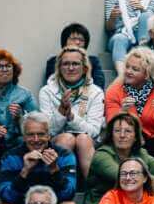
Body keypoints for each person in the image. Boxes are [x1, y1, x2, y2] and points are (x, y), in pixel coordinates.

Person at [0, 113, 80, 204]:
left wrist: (54, 170)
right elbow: (6, 197)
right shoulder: (11, 156)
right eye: (30, 135)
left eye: (41, 134)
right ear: (23, 137)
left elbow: (69, 194)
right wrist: (25, 171)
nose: (36, 139)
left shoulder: (64, 155)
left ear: (49, 135)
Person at [104, 47, 154, 168]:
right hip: (125, 140)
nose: (128, 71)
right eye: (127, 67)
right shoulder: (113, 91)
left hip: (153, 141)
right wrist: (122, 112)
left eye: (135, 69)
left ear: (147, 74)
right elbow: (111, 127)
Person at [40, 48, 106, 180]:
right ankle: (61, 184)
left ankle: (92, 189)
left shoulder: (96, 92)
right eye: (66, 64)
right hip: (58, 141)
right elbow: (49, 132)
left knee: (83, 139)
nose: (70, 68)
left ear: (84, 68)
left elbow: (94, 131)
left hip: (87, 143)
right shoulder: (46, 91)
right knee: (67, 138)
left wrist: (71, 117)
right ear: (59, 68)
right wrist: (61, 112)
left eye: (75, 64)